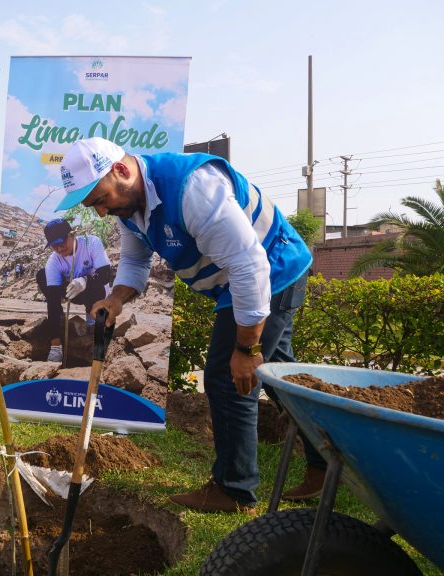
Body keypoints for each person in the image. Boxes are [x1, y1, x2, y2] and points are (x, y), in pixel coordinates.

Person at [56, 137, 325, 512]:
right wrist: (115, 300)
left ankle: (234, 490)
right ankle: (328, 461)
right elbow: (135, 264)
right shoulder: (130, 209)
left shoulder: (193, 189)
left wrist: (247, 348)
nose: (101, 212)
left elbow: (250, 267)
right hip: (243, 278)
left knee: (228, 378)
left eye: (101, 200)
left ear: (121, 170)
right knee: (283, 376)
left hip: (271, 271)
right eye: (93, 206)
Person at [37, 218, 112, 362]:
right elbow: (51, 301)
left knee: (93, 289)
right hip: (71, 292)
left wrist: (85, 280)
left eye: (61, 243)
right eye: (54, 246)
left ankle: (93, 318)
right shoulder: (54, 261)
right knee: (42, 274)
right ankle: (60, 318)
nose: (59, 249)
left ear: (72, 235)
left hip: (96, 291)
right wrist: (55, 346)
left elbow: (106, 275)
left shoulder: (91, 243)